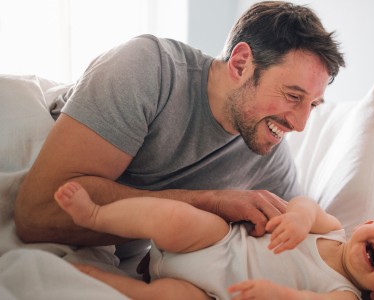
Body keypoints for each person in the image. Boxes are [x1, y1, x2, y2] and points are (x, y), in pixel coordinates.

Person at [14, 0, 346, 258]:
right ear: (241, 63)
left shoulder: (266, 153)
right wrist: (211, 203)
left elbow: (312, 236)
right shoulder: (146, 68)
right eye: (292, 96)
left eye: (313, 106)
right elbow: (37, 215)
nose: (300, 124)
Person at [54, 181, 374, 300]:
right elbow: (306, 205)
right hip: (213, 242)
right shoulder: (332, 230)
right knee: (172, 217)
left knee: (164, 298)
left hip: (209, 290)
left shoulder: (344, 293)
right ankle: (96, 216)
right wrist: (299, 217)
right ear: (369, 222)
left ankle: (95, 277)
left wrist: (275, 294)